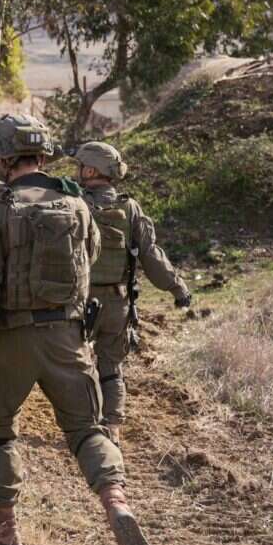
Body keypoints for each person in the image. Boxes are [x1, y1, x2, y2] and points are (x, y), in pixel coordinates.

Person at [0, 114, 152, 545]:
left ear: (3, 158)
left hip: (11, 341)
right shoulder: (77, 204)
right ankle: (116, 503)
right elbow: (88, 262)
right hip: (68, 337)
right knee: (87, 430)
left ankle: (5, 529)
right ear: (44, 154)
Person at [74, 141, 191, 445]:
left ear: (89, 170)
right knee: (111, 365)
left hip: (77, 299)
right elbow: (151, 255)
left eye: (80, 167)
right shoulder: (130, 207)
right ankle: (112, 426)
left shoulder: (73, 203)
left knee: (72, 362)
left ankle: (82, 423)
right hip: (117, 301)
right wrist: (178, 288)